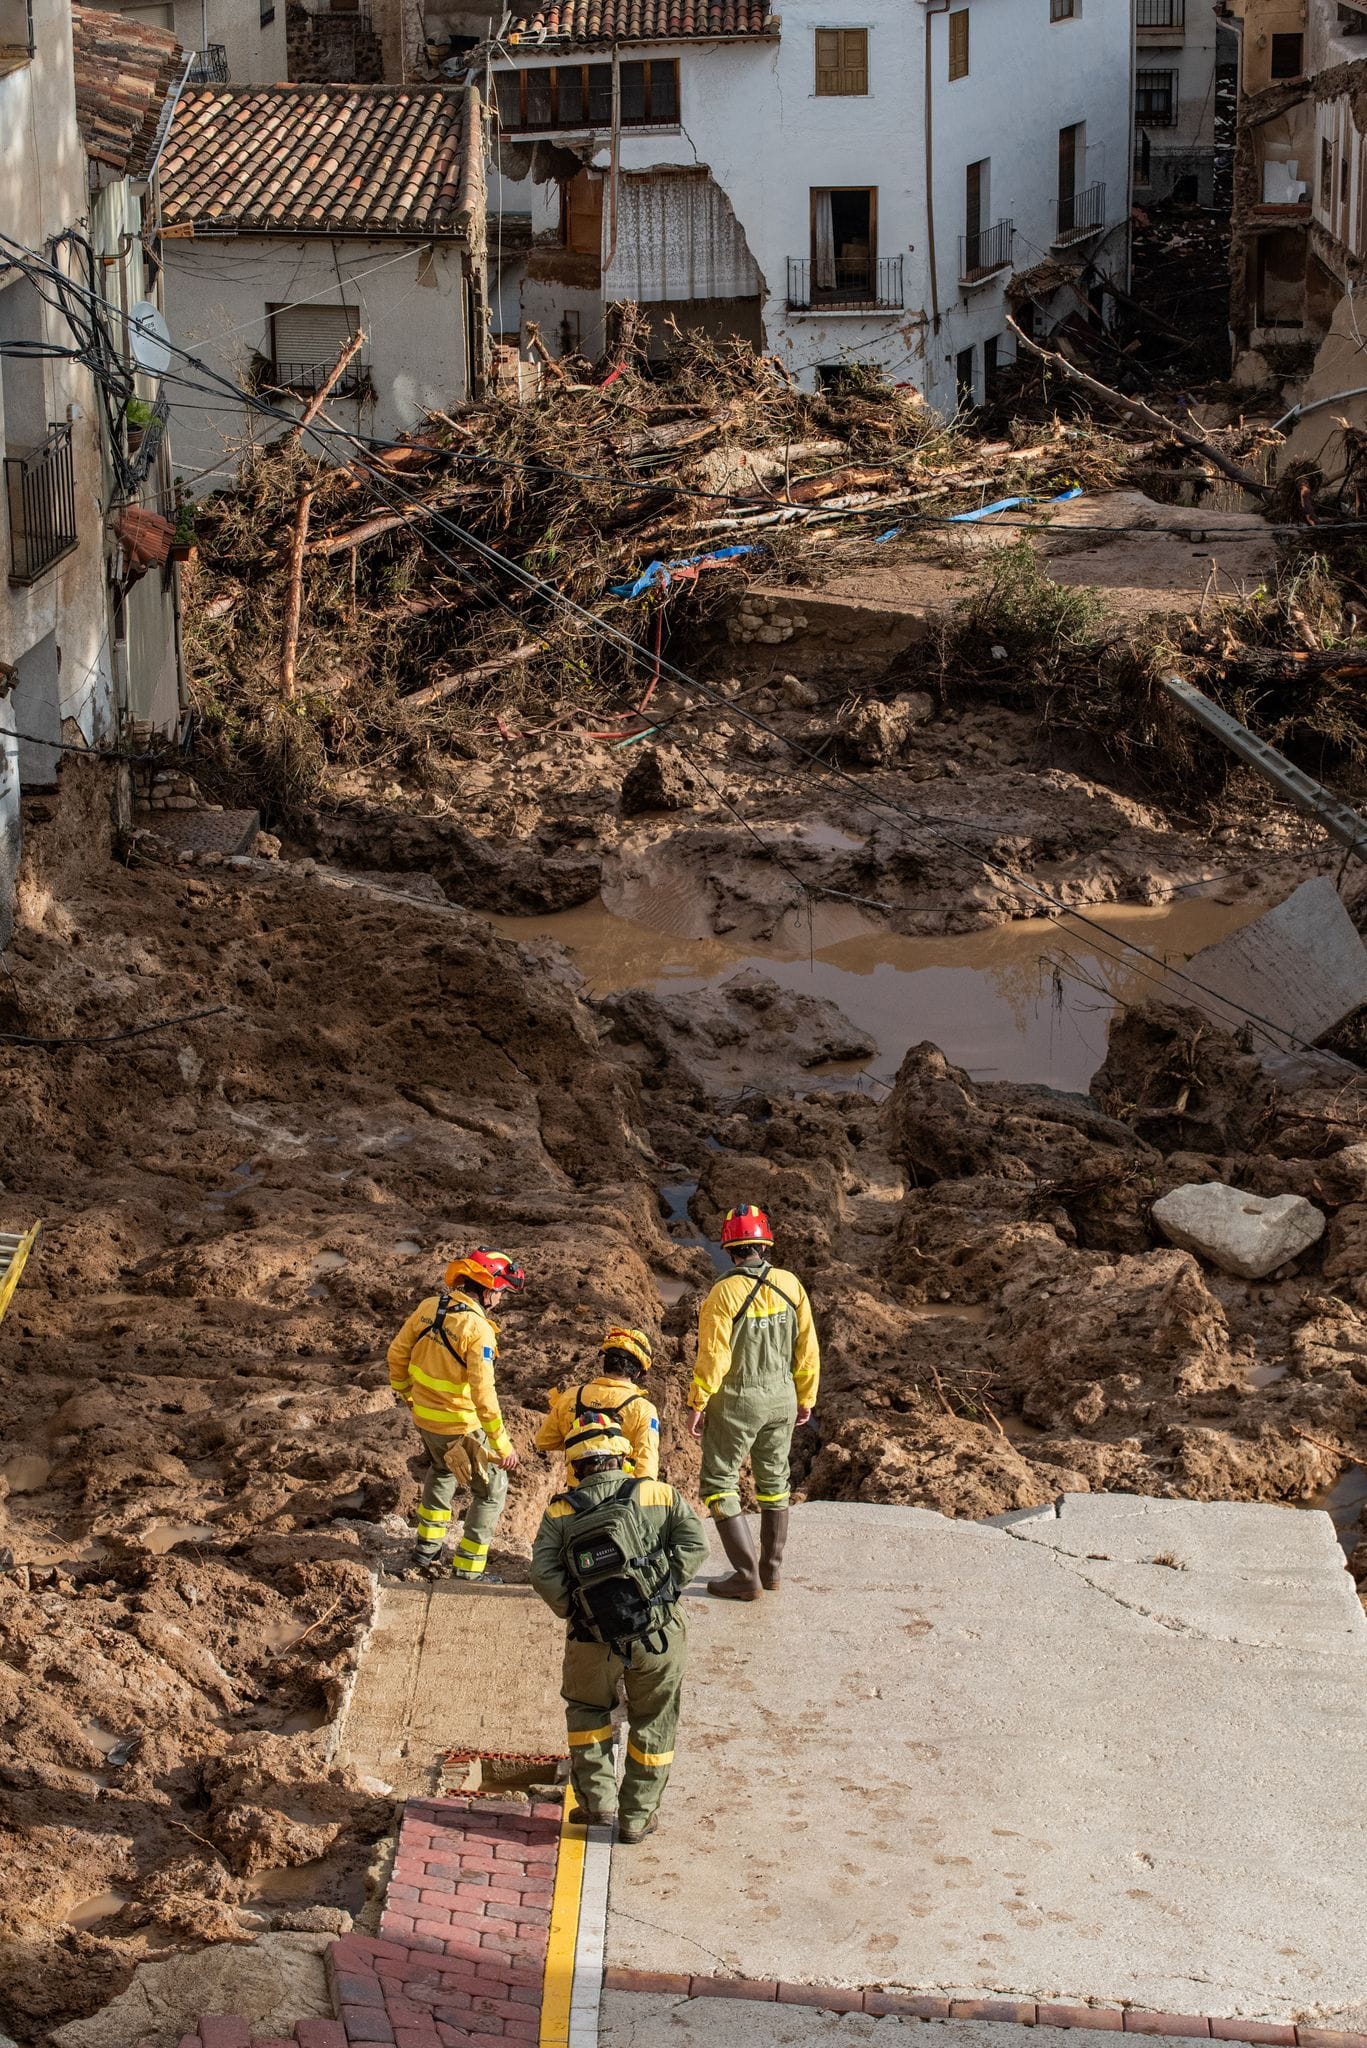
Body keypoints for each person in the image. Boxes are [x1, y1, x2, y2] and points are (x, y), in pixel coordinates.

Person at [529, 1417, 708, 1844]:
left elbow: (542, 1573)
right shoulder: (659, 1493)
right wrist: (661, 1593)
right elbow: (694, 1545)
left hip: (591, 1639)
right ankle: (636, 1817)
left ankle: (597, 1804)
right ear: (622, 1456)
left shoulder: (559, 1511)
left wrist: (578, 1611)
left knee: (587, 1711)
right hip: (658, 1634)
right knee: (654, 1718)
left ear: (575, 1465)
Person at [688, 1204, 819, 1601]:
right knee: (775, 1481)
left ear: (728, 1248)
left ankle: (745, 1576)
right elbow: (807, 1348)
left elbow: (713, 1355)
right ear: (765, 1244)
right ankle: (771, 1571)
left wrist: (699, 1399)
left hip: (737, 1399)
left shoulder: (724, 1291)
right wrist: (806, 1395)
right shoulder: (790, 1284)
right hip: (783, 1396)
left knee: (719, 1482)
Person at [388, 1247, 525, 1579]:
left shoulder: (429, 1307)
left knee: (441, 1470)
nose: (501, 1299)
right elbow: (484, 1395)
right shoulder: (479, 1330)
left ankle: (426, 1550)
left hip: (425, 1420)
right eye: (501, 1291)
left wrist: (408, 1395)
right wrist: (501, 1446)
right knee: (491, 1493)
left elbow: (396, 1356)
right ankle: (468, 1571)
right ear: (486, 1287)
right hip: (461, 1427)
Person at [535, 1325, 660, 1481]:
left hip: (578, 1494)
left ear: (605, 1363)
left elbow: (544, 1441)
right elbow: (647, 1465)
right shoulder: (643, 1409)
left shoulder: (572, 1396)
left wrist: (582, 1444)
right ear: (638, 1372)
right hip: (620, 1495)